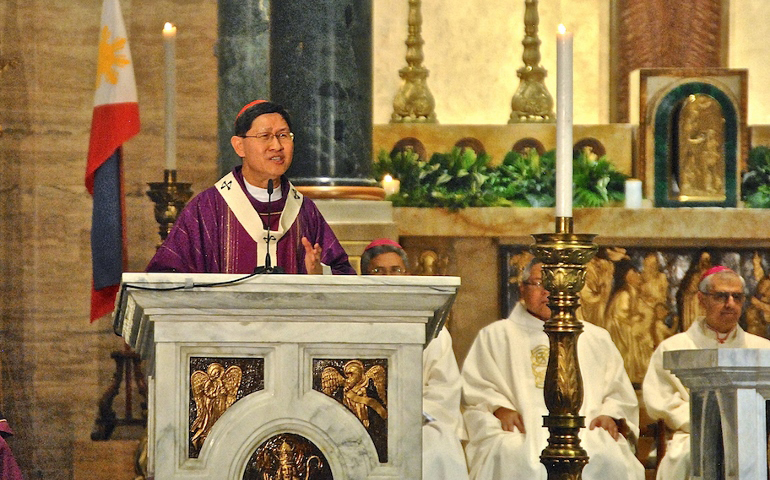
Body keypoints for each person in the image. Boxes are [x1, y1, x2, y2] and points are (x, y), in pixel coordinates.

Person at [462, 260, 644, 480]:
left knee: (607, 456)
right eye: (540, 283)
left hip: (586, 432)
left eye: (557, 285)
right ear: (522, 289)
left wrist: (611, 415)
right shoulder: (495, 336)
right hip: (521, 430)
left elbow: (618, 391)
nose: (549, 293)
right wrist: (499, 409)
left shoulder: (596, 338)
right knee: (512, 455)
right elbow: (477, 387)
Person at [147, 100, 355, 275]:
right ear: (239, 146)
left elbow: (344, 276)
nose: (277, 146)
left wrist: (318, 273)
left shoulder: (304, 211)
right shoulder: (208, 208)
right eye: (265, 136)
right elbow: (167, 274)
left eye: (284, 135)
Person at [642, 265, 770, 480]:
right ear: (701, 300)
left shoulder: (763, 349)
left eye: (737, 297)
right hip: (692, 436)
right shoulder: (673, 348)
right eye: (721, 296)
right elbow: (662, 401)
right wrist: (714, 425)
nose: (730, 304)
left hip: (753, 438)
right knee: (699, 457)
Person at [360, 239, 469, 480]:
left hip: (419, 421)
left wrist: (411, 415)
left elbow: (444, 388)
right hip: (365, 419)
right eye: (378, 271)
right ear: (364, 277)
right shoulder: (354, 326)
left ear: (407, 274)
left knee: (437, 450)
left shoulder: (433, 331)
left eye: (396, 270)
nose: (389, 278)